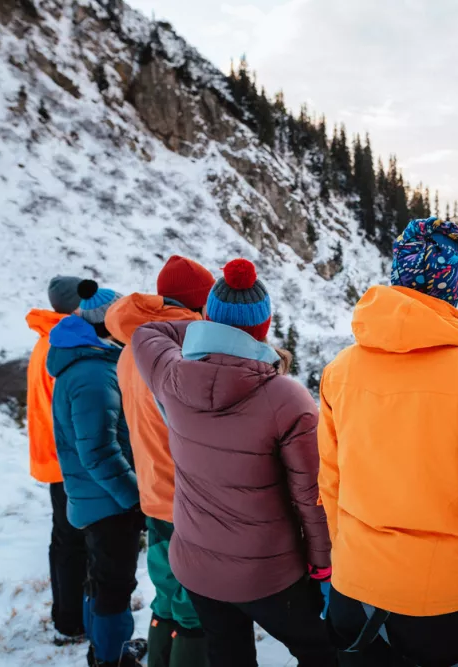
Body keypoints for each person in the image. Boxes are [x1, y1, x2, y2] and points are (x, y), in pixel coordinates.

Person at [318, 217, 458, 667]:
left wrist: (354, 566)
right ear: (453, 285)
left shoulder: (340, 370)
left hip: (354, 596)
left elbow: (330, 485)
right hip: (442, 613)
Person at [132, 259, 337, 667]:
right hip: (269, 573)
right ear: (264, 326)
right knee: (322, 652)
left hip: (198, 567)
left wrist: (211, 329)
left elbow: (147, 332)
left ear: (208, 318)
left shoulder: (171, 376)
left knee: (228, 654)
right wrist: (322, 566)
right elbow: (311, 496)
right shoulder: (287, 398)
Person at [105, 256, 216, 667]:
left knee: (167, 595)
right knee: (195, 606)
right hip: (189, 496)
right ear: (198, 302)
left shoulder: (131, 348)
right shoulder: (188, 349)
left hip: (152, 489)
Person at [47, 280, 147, 667]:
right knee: (115, 585)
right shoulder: (92, 374)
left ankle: (103, 650)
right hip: (107, 501)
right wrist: (134, 498)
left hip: (93, 495)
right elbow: (98, 451)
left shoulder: (87, 362)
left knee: (101, 580)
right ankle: (111, 658)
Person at [26, 276, 88, 645]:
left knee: (64, 540)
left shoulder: (46, 338)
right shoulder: (63, 343)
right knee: (75, 542)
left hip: (53, 456)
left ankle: (65, 616)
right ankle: (72, 623)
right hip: (68, 459)